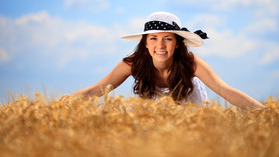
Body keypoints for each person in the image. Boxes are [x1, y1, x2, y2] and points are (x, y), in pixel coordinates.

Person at [71, 12, 265, 110]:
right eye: (154, 38)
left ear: (178, 44)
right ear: (145, 44)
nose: (160, 45)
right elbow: (96, 90)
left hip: (190, 107)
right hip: (151, 112)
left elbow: (225, 90)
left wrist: (265, 112)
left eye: (168, 38)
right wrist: (58, 105)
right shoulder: (133, 64)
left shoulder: (191, 63)